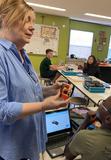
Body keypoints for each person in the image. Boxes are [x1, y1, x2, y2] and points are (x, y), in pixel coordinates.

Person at [0, 1, 69, 160]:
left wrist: (50, 90)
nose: (32, 27)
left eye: (33, 22)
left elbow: (25, 91)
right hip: (12, 149)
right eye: (26, 20)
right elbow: (2, 110)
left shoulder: (23, 54)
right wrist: (44, 105)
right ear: (4, 19)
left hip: (30, 140)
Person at [64, 94, 111, 160]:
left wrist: (85, 123)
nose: (100, 104)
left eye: (103, 103)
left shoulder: (84, 137)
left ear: (108, 119)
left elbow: (67, 155)